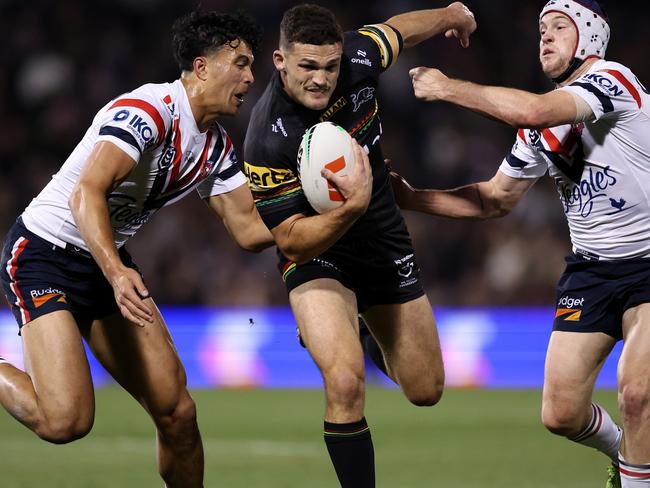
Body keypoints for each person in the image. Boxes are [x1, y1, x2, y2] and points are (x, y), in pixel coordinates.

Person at [0, 10, 273, 487]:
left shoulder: (215, 146)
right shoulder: (147, 110)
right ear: (202, 66)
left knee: (178, 413)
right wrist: (114, 270)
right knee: (65, 422)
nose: (251, 77)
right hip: (44, 253)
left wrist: (336, 210)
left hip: (103, 263)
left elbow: (250, 229)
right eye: (241, 63)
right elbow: (86, 194)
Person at [399, 0, 650, 486]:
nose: (545, 37)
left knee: (637, 395)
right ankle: (628, 457)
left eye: (560, 27)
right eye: (541, 29)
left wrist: (448, 87)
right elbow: (494, 200)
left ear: (591, 37)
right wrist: (411, 198)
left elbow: (533, 107)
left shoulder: (613, 79)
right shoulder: (542, 131)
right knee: (561, 414)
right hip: (592, 272)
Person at [243, 3, 476, 486]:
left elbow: (400, 30)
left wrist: (451, 13)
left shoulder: (359, 57)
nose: (320, 79)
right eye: (307, 66)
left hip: (381, 237)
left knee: (426, 389)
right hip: (316, 251)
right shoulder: (266, 138)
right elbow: (289, 238)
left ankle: (364, 330)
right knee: (345, 382)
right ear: (280, 61)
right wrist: (349, 208)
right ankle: (335, 329)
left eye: (329, 67)